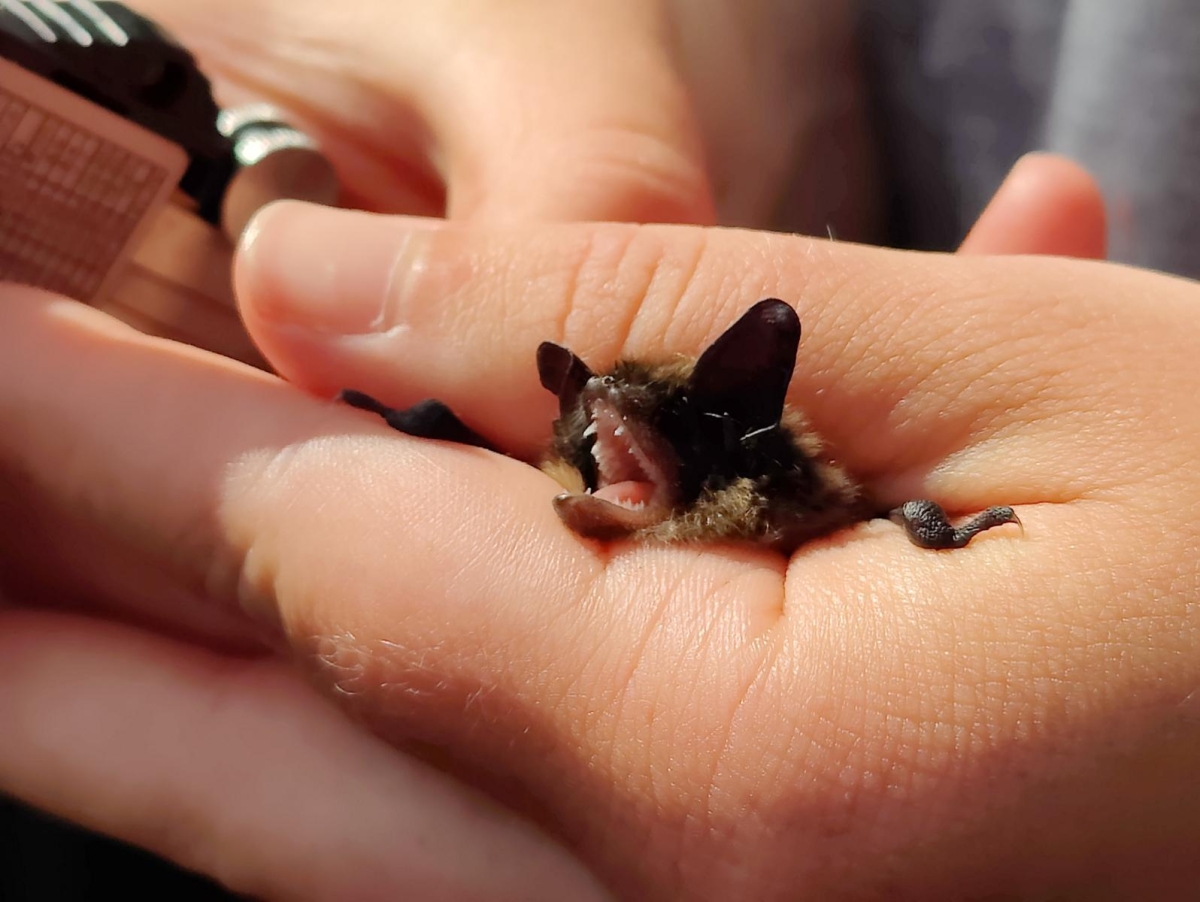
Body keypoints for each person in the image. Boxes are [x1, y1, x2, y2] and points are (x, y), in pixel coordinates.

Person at [2, 1, 1198, 899]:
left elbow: (881, 495)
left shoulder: (766, 486)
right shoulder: (560, 473)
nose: (599, 459)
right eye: (585, 436)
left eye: (624, 444)